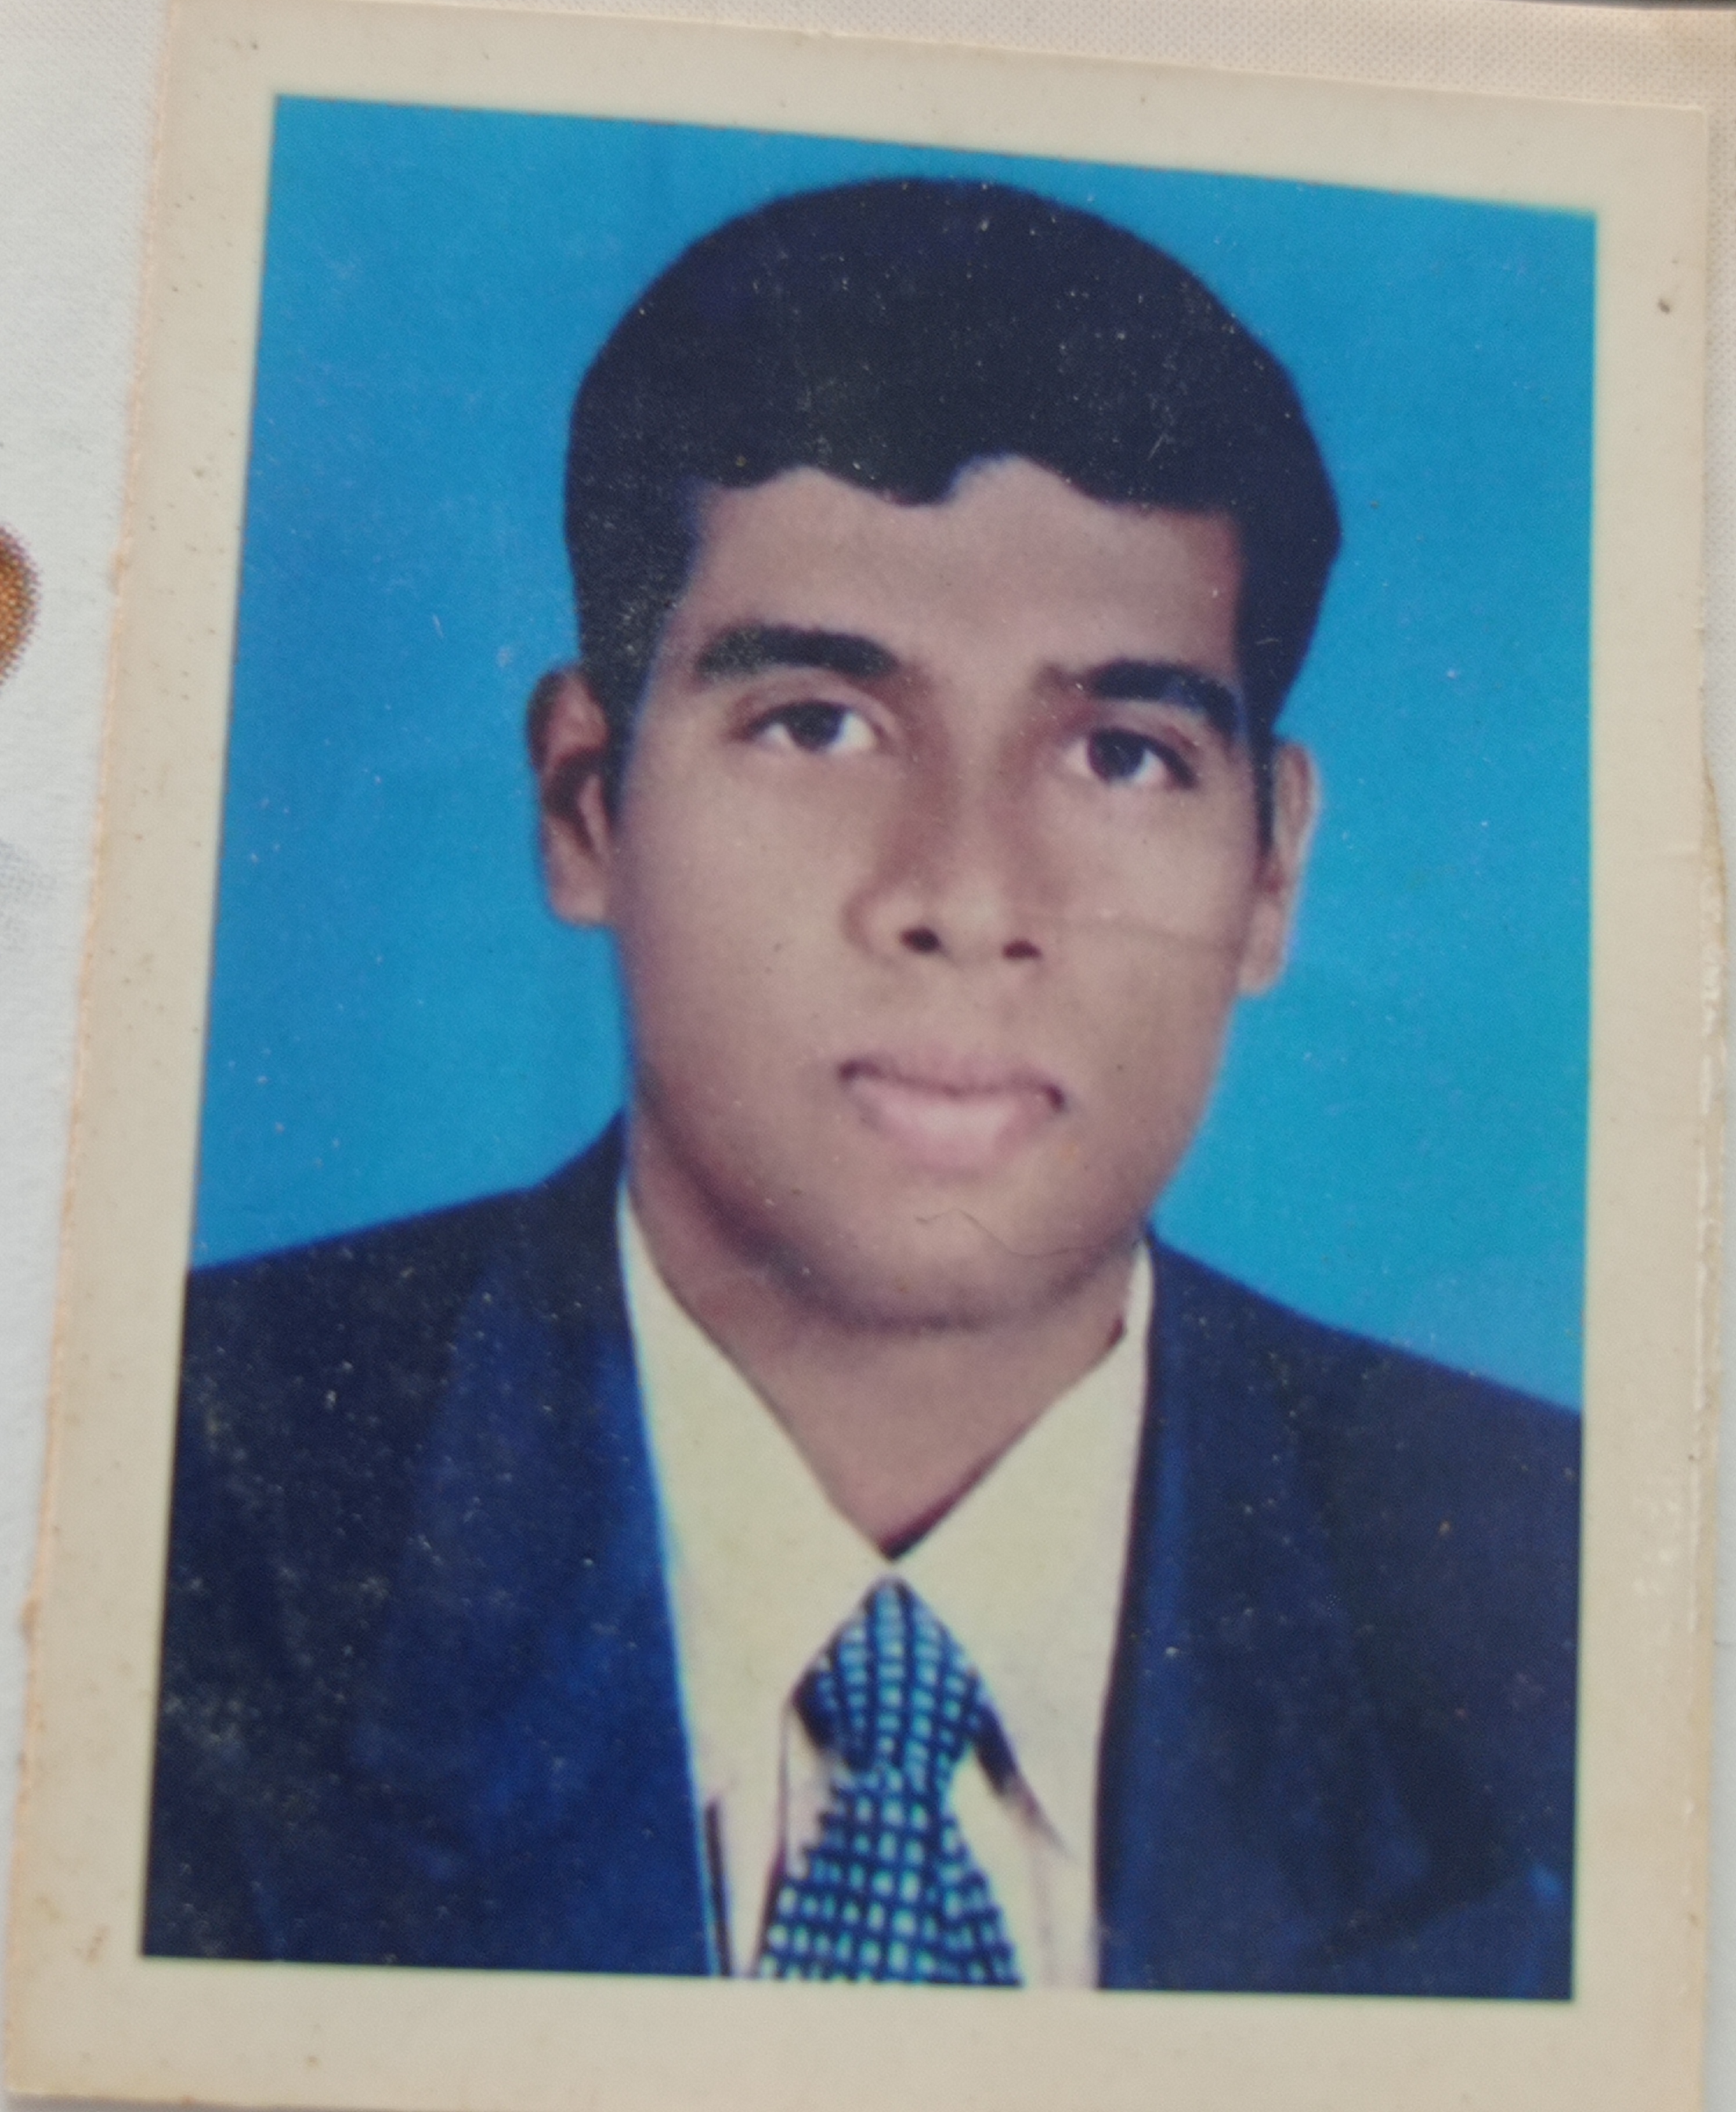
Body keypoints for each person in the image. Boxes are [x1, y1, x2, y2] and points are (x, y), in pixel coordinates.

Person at [145, 178, 1579, 1996]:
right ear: (587, 805)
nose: (966, 898)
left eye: (1123, 754)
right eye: (817, 725)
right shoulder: (145, 1497)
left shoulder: (1579, 1590)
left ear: (1272, 869)